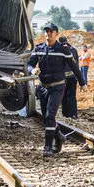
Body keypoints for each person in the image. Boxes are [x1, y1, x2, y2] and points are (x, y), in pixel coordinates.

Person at [28, 23, 86, 157]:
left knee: (50, 115)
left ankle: (48, 147)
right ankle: (59, 135)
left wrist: (82, 83)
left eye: (51, 32)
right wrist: (32, 70)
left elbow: (74, 67)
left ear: (56, 34)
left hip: (58, 87)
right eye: (46, 31)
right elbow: (30, 64)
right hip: (43, 87)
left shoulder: (63, 50)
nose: (48, 34)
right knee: (46, 118)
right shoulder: (39, 48)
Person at [59, 36, 79, 119]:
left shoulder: (59, 49)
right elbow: (76, 64)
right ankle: (74, 114)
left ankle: (65, 114)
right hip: (72, 76)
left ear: (60, 42)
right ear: (67, 41)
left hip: (63, 77)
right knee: (72, 95)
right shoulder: (74, 49)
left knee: (63, 95)